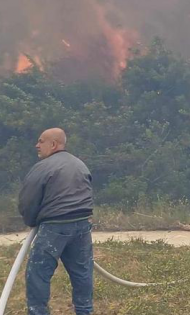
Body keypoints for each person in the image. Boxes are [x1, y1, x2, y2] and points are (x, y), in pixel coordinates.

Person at [18, 128, 94, 315]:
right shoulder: (80, 165)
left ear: (53, 144)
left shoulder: (44, 167)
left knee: (38, 274)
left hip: (54, 227)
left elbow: (28, 200)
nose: (37, 145)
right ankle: (85, 311)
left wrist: (31, 221)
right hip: (82, 226)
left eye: (41, 141)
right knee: (82, 273)